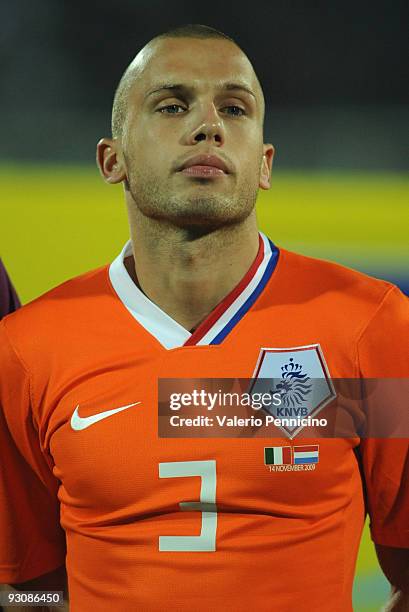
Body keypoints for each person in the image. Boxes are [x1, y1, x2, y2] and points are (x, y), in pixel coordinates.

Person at [0, 24, 408, 612]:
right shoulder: (26, 351)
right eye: (171, 105)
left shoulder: (373, 327)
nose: (209, 124)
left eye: (235, 107)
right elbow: (29, 590)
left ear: (264, 164)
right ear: (112, 159)